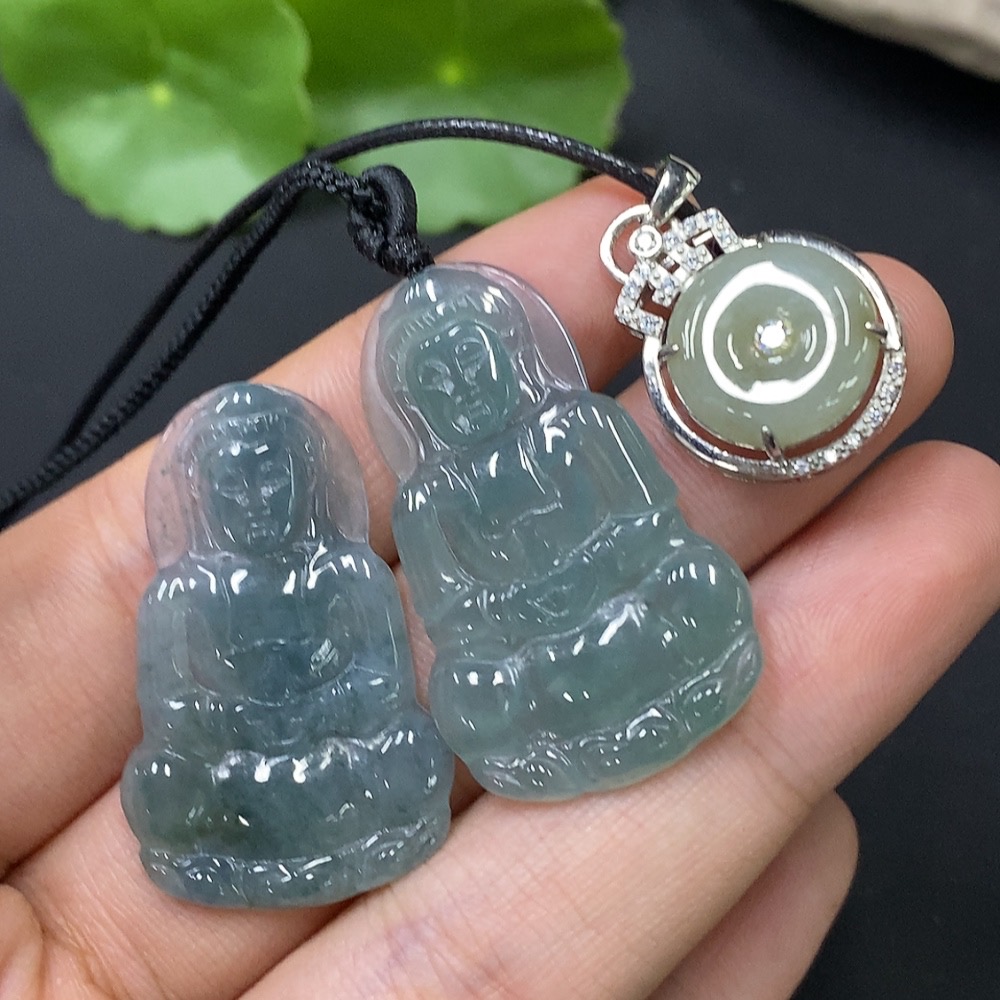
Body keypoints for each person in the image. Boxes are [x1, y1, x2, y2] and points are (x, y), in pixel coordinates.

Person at [1, 178, 997, 998]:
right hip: (291, 754)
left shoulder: (571, 432)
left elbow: (644, 533)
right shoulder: (280, 558)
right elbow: (408, 638)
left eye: (470, 363)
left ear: (509, 358)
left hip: (616, 616)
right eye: (434, 382)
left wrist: (575, 591)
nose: (460, 389)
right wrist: (260, 721)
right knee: (236, 768)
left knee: (690, 584)